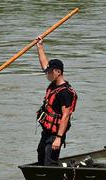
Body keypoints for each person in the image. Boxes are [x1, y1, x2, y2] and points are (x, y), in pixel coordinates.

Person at [36, 37, 78, 166]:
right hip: (47, 132)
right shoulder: (54, 84)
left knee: (50, 162)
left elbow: (65, 116)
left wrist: (58, 139)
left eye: (50, 72)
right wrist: (39, 46)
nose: (47, 74)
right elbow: (44, 64)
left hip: (55, 134)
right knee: (41, 154)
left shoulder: (65, 92)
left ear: (58, 72)